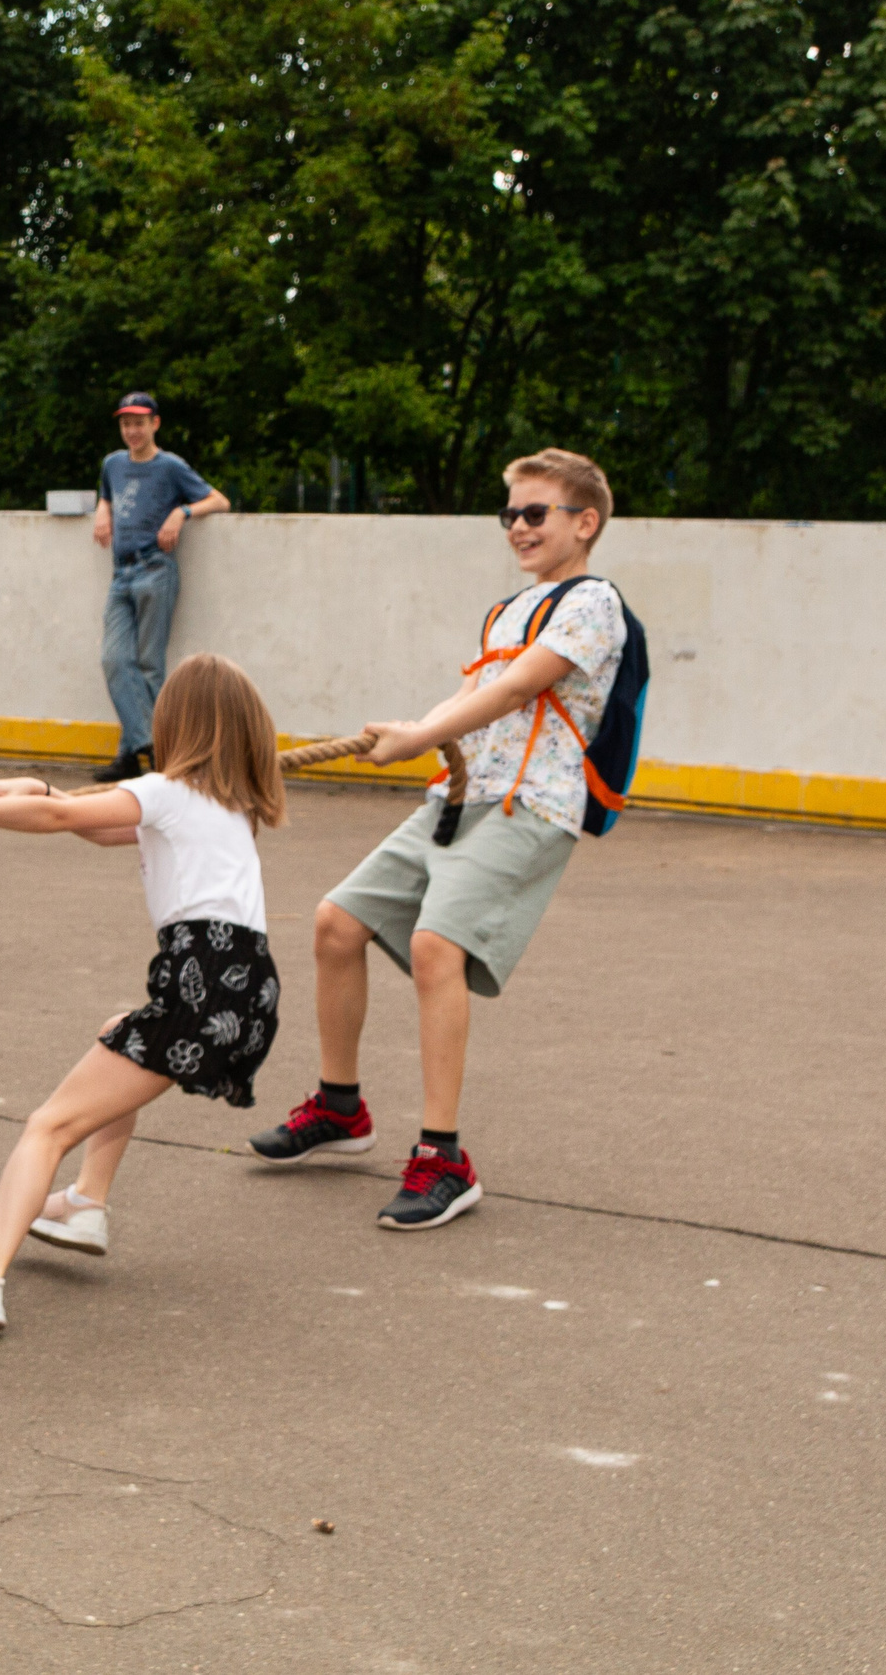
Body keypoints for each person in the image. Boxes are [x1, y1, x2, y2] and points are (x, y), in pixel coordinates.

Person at [249, 449, 632, 1231]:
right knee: (334, 923)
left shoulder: (594, 604)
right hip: (459, 796)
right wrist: (411, 733)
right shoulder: (505, 612)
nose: (518, 527)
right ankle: (340, 1108)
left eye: (536, 513)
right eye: (510, 515)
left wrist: (419, 736)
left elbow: (521, 688)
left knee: (435, 948)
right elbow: (473, 691)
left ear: (584, 522)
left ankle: (444, 1159)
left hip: (529, 804)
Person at [0, 654, 288, 1330]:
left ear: (175, 724)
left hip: (201, 979)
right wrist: (39, 787)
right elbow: (96, 824)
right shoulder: (229, 809)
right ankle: (85, 1204)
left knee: (49, 1126)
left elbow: (62, 823)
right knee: (120, 1031)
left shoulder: (164, 790)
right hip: (247, 995)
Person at [91, 392, 228, 783]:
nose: (132, 430)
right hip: (121, 574)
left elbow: (218, 500)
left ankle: (132, 755)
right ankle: (152, 748)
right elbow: (106, 493)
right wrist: (103, 509)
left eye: (139, 422)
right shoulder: (112, 464)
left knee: (150, 666)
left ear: (155, 424)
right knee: (115, 660)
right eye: (125, 423)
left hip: (155, 568)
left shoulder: (170, 466)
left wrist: (181, 512)